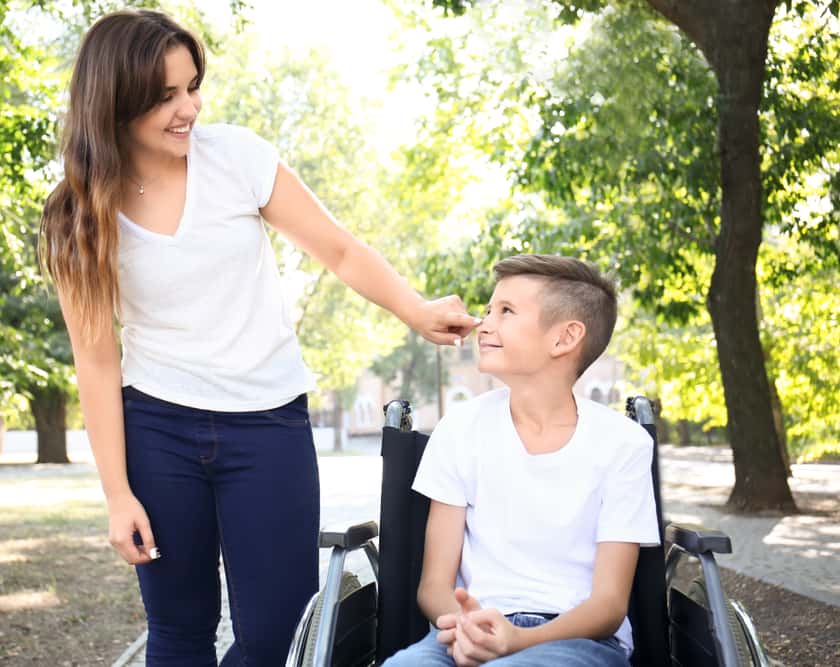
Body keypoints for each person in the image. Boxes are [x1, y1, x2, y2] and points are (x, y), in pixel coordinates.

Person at [38, 9, 480, 667]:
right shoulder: (76, 213)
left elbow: (339, 248)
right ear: (117, 101)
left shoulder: (237, 157)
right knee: (180, 631)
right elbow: (97, 362)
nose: (188, 107)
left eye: (193, 86)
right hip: (157, 430)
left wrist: (413, 308)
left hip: (267, 425)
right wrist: (117, 492)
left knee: (278, 635)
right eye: (166, 96)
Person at [383, 255, 660, 667]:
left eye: (506, 311)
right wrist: (475, 631)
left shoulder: (623, 444)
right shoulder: (459, 429)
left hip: (576, 639)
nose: (484, 323)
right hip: (465, 630)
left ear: (564, 338)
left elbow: (608, 605)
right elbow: (433, 586)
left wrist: (518, 642)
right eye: (489, 309)